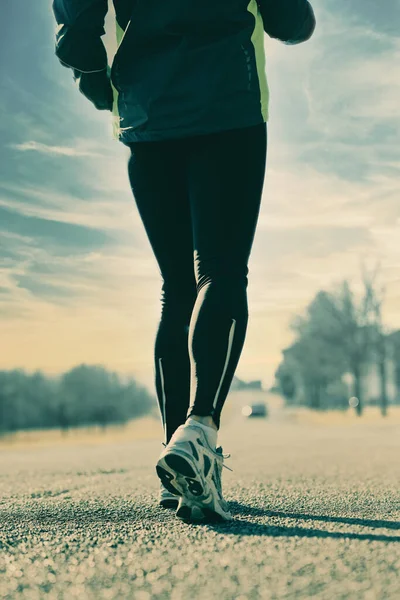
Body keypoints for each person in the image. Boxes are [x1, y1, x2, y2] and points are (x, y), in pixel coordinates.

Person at [52, 0, 316, 522]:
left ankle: (176, 471)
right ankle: (198, 430)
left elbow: (77, 31)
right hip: (226, 102)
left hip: (146, 112)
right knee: (220, 270)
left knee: (176, 287)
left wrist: (100, 81)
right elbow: (290, 21)